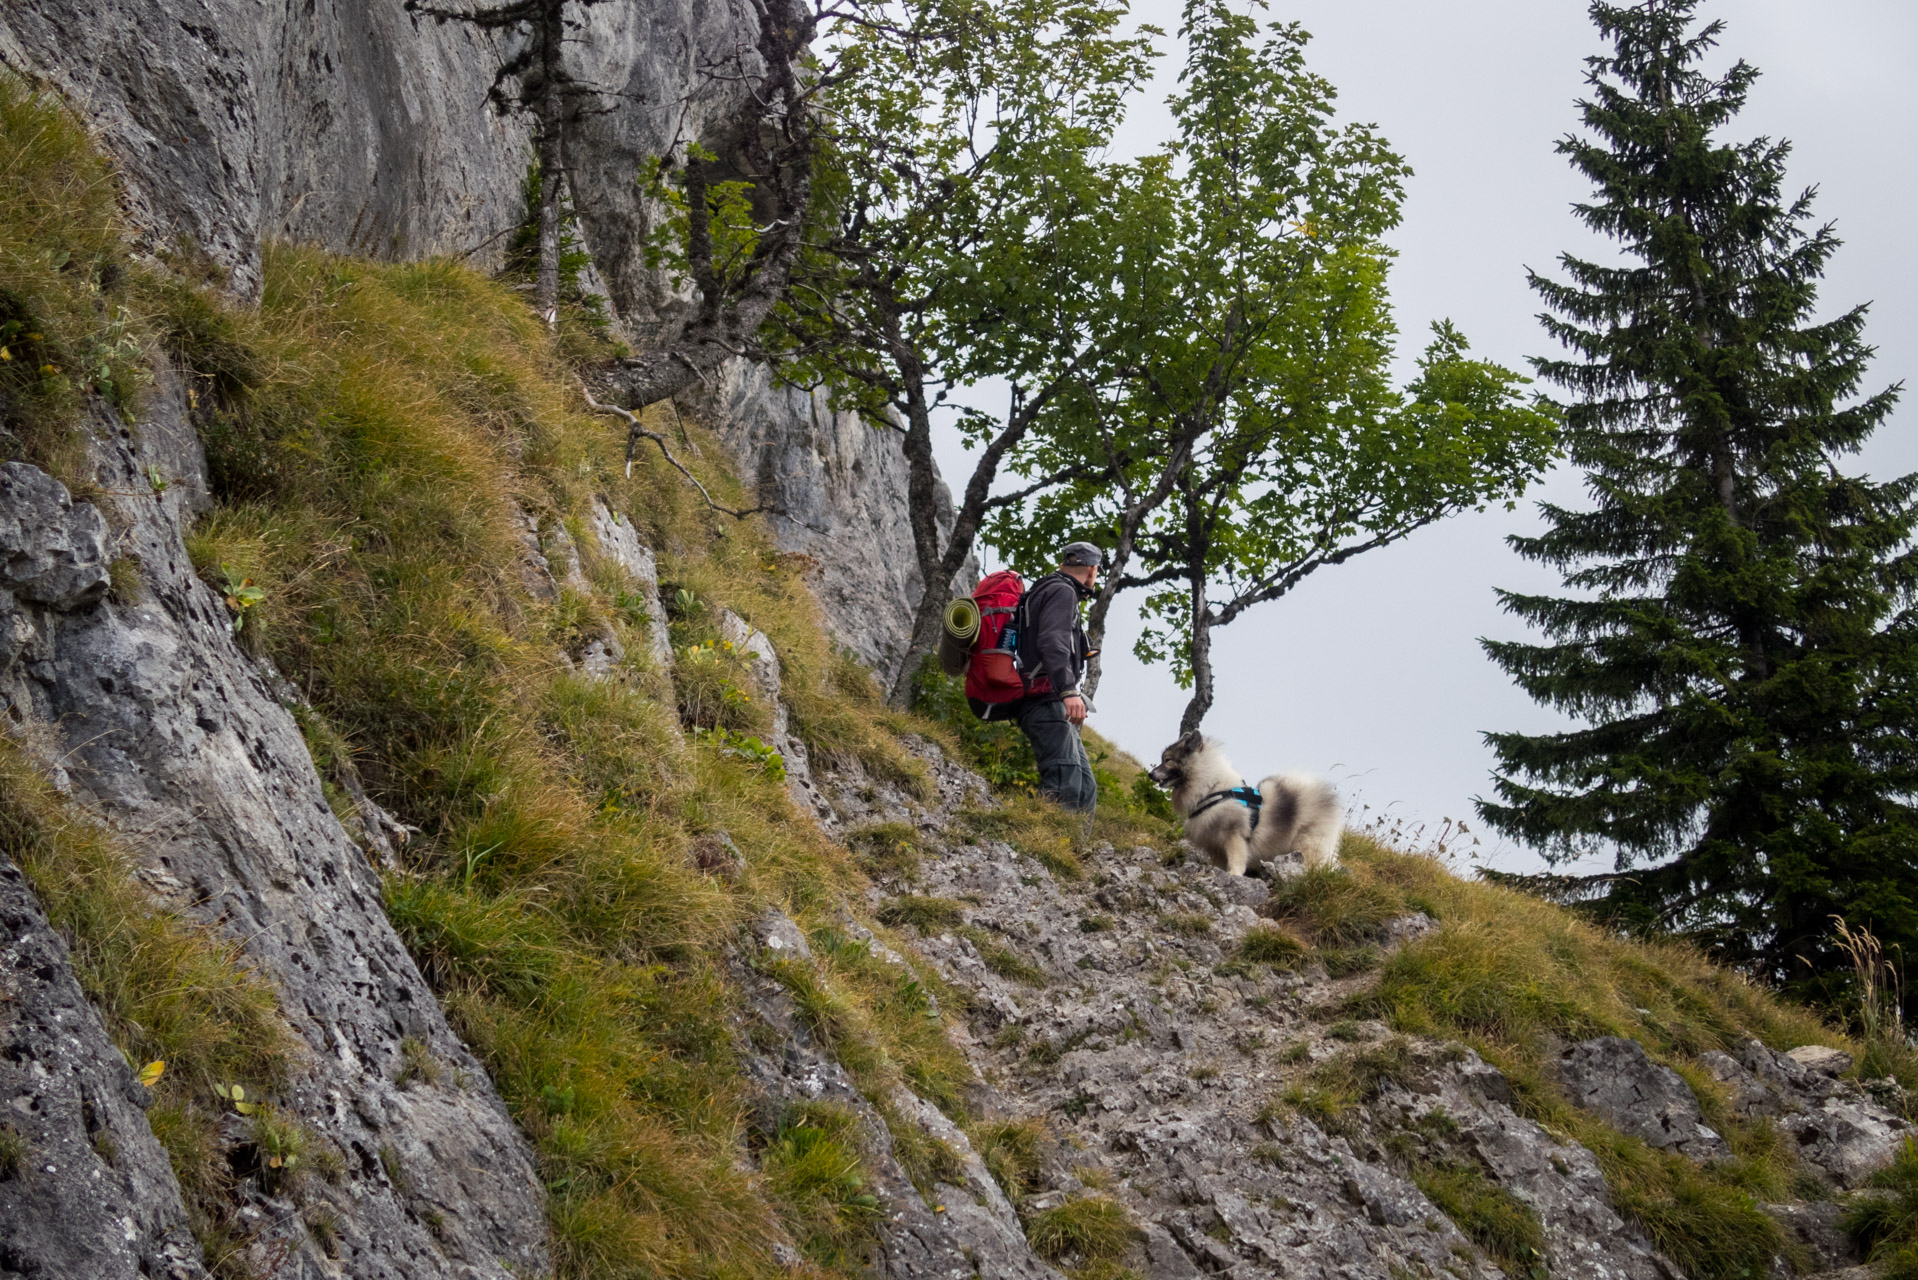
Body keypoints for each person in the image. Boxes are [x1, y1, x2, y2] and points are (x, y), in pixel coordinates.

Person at [984, 541, 1102, 813]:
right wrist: (1069, 692)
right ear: (1092, 570)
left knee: (1084, 785)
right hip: (1045, 699)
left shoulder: (1044, 589)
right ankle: (1045, 847)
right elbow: (1052, 642)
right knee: (1064, 781)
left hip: (1044, 700)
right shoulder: (1062, 591)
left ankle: (1072, 852)